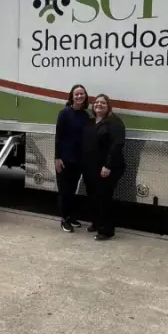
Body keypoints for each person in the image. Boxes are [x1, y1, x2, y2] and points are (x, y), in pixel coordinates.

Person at [83, 93, 126, 241]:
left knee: (104, 197)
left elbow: (117, 145)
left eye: (102, 103)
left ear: (108, 106)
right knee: (93, 196)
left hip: (107, 167)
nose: (99, 105)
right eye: (96, 103)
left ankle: (107, 231)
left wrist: (108, 165)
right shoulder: (91, 121)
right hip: (91, 167)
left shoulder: (114, 122)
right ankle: (97, 223)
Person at [54, 83, 90, 232]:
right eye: (77, 94)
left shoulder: (86, 115)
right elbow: (59, 136)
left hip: (78, 159)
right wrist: (57, 158)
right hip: (65, 159)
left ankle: (70, 216)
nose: (79, 96)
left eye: (82, 93)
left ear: (85, 96)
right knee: (64, 190)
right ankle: (64, 219)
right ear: (72, 97)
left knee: (73, 189)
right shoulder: (64, 113)